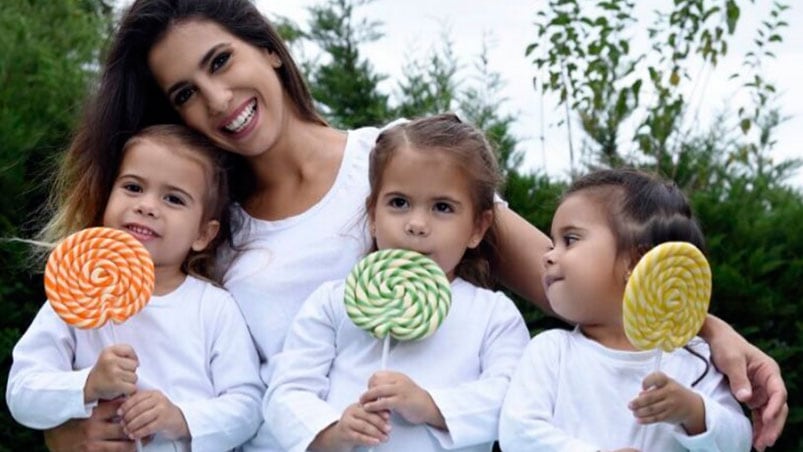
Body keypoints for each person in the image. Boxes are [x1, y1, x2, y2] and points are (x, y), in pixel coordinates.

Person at [40, 0, 786, 450]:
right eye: (185, 92)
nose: (216, 97)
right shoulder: (200, 226)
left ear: (267, 46)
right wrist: (66, 428)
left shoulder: (398, 160)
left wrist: (712, 333)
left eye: (221, 61)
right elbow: (135, 358)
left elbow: (572, 279)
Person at [264, 114, 530, 451]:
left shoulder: (493, 314)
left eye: (443, 207)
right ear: (373, 215)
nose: (417, 224)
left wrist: (431, 405)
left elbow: (513, 397)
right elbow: (286, 392)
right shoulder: (334, 302)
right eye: (399, 203)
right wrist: (333, 430)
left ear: (478, 227)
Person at [7, 125, 265, 451]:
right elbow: (21, 392)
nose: (147, 206)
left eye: (173, 198)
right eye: (133, 187)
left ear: (203, 234)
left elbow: (248, 405)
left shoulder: (213, 308)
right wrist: (86, 384)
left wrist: (181, 418)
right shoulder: (74, 296)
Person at [498, 169, 753, 451]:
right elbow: (517, 432)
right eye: (553, 241)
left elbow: (739, 441)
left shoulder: (692, 357)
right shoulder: (551, 352)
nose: (548, 255)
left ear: (635, 262)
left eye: (569, 240)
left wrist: (693, 412)